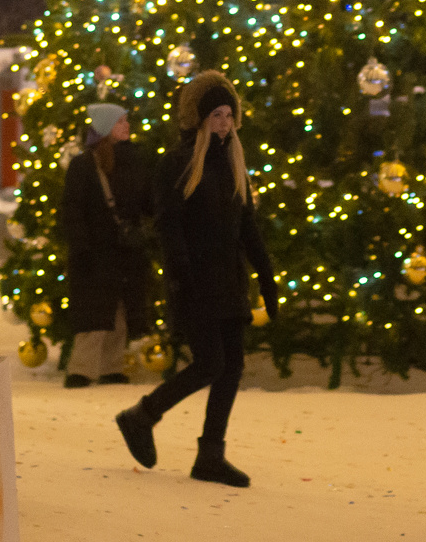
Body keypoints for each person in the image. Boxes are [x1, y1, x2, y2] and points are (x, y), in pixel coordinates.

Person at [114, 71, 278, 489]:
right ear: (200, 118)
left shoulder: (234, 165)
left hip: (229, 280)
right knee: (210, 363)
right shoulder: (179, 163)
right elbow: (169, 227)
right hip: (197, 282)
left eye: (228, 115)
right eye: (216, 115)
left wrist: (267, 279)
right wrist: (181, 278)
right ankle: (142, 415)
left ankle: (211, 455)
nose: (223, 123)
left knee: (232, 366)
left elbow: (249, 228)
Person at [60, 103, 151, 388]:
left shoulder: (134, 160)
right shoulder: (85, 165)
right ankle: (82, 368)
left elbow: (145, 201)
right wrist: (81, 246)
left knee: (120, 310)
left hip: (125, 251)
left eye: (126, 121)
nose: (126, 126)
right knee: (95, 314)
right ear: (104, 128)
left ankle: (112, 366)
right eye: (120, 122)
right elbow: (72, 209)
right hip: (96, 251)